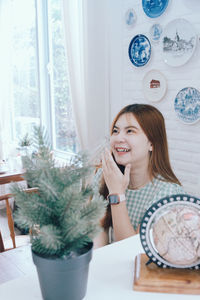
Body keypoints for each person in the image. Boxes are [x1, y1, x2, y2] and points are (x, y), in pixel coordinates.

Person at [93, 103, 185, 248]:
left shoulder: (168, 195)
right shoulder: (104, 176)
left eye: (130, 131)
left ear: (152, 143)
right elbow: (98, 231)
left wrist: (117, 194)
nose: (118, 138)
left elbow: (132, 251)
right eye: (116, 131)